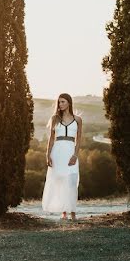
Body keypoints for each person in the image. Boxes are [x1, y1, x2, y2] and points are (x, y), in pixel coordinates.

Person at [42, 92, 82, 220]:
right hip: (57, 152)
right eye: (59, 102)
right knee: (59, 181)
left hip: (70, 151)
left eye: (63, 101)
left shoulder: (78, 120)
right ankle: (64, 211)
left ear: (69, 102)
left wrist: (75, 155)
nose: (60, 104)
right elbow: (51, 139)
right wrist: (48, 156)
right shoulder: (55, 119)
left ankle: (73, 212)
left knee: (71, 182)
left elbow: (79, 139)